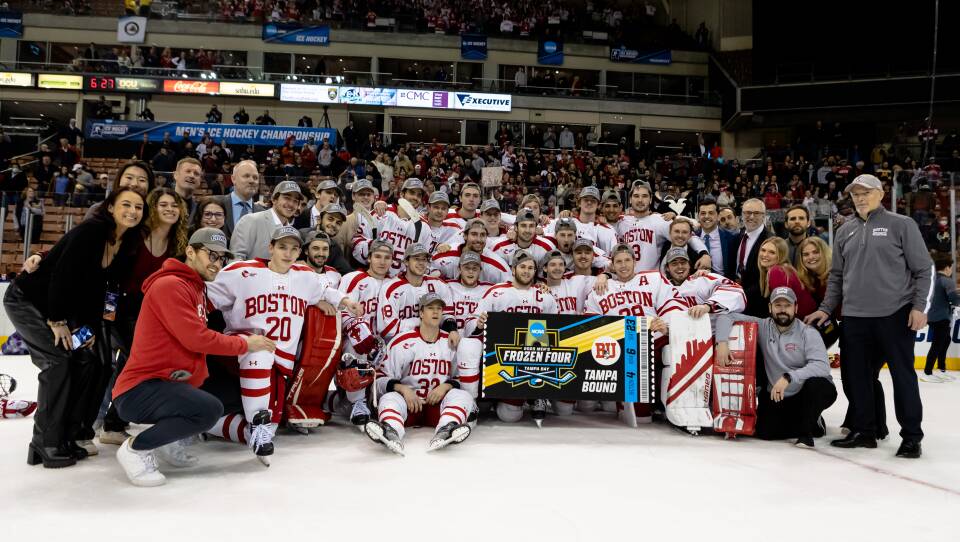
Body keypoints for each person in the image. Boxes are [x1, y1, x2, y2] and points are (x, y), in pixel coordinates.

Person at [111, 228, 276, 486]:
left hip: (170, 382)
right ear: (190, 251)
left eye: (222, 258)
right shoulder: (170, 285)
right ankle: (136, 448)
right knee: (209, 410)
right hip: (140, 389)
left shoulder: (196, 288)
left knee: (233, 395)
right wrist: (245, 343)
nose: (217, 262)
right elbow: (196, 338)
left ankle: (169, 439)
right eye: (211, 254)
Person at [5, 187, 146, 468]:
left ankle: (66, 436)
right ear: (110, 208)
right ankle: (45, 442)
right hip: (29, 301)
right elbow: (62, 276)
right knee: (57, 363)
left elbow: (104, 293)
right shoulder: (91, 232)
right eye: (125, 205)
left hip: (66, 313)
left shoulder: (128, 244)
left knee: (86, 360)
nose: (132, 211)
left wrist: (89, 331)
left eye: (139, 207)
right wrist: (57, 322)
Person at [204, 226, 361, 461]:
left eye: (294, 248)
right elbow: (203, 296)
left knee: (273, 427)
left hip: (277, 363)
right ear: (271, 248)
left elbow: (325, 290)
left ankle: (208, 424)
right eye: (282, 247)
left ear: (300, 252)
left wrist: (345, 300)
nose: (288, 253)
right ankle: (256, 425)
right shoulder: (241, 271)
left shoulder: (305, 277)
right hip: (238, 349)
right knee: (261, 350)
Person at [806, 174, 933, 458]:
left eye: (865, 193)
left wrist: (919, 306)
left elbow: (924, 269)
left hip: (895, 315)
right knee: (855, 377)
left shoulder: (902, 225)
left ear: (880, 193)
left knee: (903, 377)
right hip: (854, 318)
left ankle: (912, 436)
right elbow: (837, 276)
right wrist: (826, 309)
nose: (860, 198)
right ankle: (864, 431)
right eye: (855, 194)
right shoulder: (844, 230)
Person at [100, 187, 191, 445]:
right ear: (153, 208)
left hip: (156, 313)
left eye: (175, 205)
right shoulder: (135, 236)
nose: (170, 209)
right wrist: (108, 314)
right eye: (164, 204)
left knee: (134, 364)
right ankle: (111, 423)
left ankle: (115, 421)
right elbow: (114, 276)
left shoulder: (179, 244)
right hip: (124, 310)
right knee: (131, 362)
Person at [716, 287, 837, 448]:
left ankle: (807, 431)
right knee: (766, 433)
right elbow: (727, 316)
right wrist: (722, 342)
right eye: (778, 305)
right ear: (770, 308)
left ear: (796, 308)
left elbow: (822, 367)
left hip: (806, 393)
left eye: (787, 306)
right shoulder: (764, 326)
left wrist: (789, 377)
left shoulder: (808, 332)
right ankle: (808, 422)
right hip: (778, 395)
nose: (782, 310)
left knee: (817, 385)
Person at [364, 292, 477, 455]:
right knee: (389, 398)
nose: (436, 312)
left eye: (439, 308)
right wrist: (404, 389)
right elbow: (380, 379)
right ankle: (390, 431)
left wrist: (445, 386)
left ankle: (447, 428)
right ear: (421, 313)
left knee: (463, 396)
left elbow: (460, 379)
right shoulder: (402, 341)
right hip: (409, 406)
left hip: (437, 407)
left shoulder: (450, 342)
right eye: (431, 308)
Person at [473, 250, 559, 425]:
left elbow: (555, 331)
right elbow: (473, 322)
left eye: (530, 268)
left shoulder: (544, 295)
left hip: (530, 362)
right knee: (484, 408)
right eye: (522, 267)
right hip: (498, 361)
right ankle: (491, 397)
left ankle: (535, 394)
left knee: (510, 416)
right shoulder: (495, 292)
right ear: (513, 269)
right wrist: (479, 324)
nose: (526, 271)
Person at [230, 181, 304, 260]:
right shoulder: (251, 220)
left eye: (295, 201)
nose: (291, 204)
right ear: (274, 199)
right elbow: (235, 259)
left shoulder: (293, 233)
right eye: (287, 198)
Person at [755, 237, 816, 319]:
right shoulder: (783, 268)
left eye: (772, 252)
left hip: (803, 324)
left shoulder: (777, 271)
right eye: (763, 250)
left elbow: (783, 309)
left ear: (781, 255)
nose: (765, 255)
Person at [921, 254, 959, 382]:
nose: (951, 270)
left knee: (945, 340)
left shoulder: (932, 279)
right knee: (937, 344)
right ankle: (927, 372)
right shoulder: (947, 281)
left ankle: (942, 369)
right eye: (951, 267)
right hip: (941, 317)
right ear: (947, 267)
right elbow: (954, 299)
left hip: (932, 316)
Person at [734, 198, 771, 317]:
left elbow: (767, 278)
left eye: (756, 213)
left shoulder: (771, 240)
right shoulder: (739, 236)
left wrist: (741, 296)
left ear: (764, 216)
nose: (751, 216)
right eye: (747, 212)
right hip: (735, 303)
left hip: (758, 307)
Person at [215, 160, 263, 238]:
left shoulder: (263, 213)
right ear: (233, 179)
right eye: (246, 176)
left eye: (255, 177)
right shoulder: (216, 204)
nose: (252, 181)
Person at [697, 198, 737, 278]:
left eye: (711, 213)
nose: (706, 216)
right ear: (698, 216)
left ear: (718, 216)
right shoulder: (692, 238)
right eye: (703, 213)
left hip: (723, 285)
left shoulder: (732, 239)